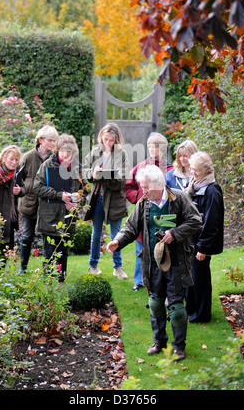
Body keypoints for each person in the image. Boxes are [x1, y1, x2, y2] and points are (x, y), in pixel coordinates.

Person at [107, 165, 202, 361]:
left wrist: (174, 233)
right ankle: (159, 341)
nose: (144, 191)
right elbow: (130, 227)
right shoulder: (144, 203)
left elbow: (195, 220)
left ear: (159, 184)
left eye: (146, 187)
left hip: (176, 262)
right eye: (142, 187)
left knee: (176, 309)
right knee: (156, 304)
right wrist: (118, 241)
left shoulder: (179, 198)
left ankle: (179, 348)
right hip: (152, 263)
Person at [33, 134, 87, 282]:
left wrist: (77, 202)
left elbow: (85, 190)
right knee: (49, 254)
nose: (65, 154)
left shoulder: (77, 167)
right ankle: (48, 285)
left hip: (68, 218)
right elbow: (37, 187)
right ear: (57, 150)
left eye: (69, 152)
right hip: (49, 218)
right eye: (63, 151)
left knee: (63, 254)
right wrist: (59, 195)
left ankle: (60, 284)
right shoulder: (48, 165)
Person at [125, 132, 173, 291]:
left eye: (157, 146)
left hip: (163, 215)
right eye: (151, 146)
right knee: (141, 247)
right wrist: (138, 196)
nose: (153, 149)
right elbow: (128, 186)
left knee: (162, 245)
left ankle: (163, 277)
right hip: (143, 215)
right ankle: (139, 280)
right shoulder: (140, 167)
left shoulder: (170, 169)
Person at [83, 123, 129, 279]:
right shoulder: (95, 152)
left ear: (116, 140)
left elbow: (122, 181)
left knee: (116, 235)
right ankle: (93, 266)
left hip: (115, 201)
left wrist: (104, 178)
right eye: (105, 139)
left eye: (111, 140)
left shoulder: (121, 155)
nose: (108, 143)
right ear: (101, 137)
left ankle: (118, 267)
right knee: (96, 234)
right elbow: (85, 172)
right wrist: (93, 174)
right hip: (97, 199)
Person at [185, 151, 224, 323]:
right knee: (193, 276)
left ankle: (202, 315)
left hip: (201, 243)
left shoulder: (212, 190)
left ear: (206, 170)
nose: (193, 174)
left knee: (201, 280)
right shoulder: (196, 185)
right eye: (192, 170)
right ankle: (192, 309)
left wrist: (202, 247)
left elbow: (211, 222)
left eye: (197, 171)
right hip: (192, 240)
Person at [17, 125, 59, 274]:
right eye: (50, 140)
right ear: (40, 140)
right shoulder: (28, 157)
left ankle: (49, 269)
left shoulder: (54, 158)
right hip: (29, 203)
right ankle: (23, 267)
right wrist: (22, 189)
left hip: (47, 204)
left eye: (54, 140)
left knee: (48, 238)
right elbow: (19, 179)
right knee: (27, 236)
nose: (53, 143)